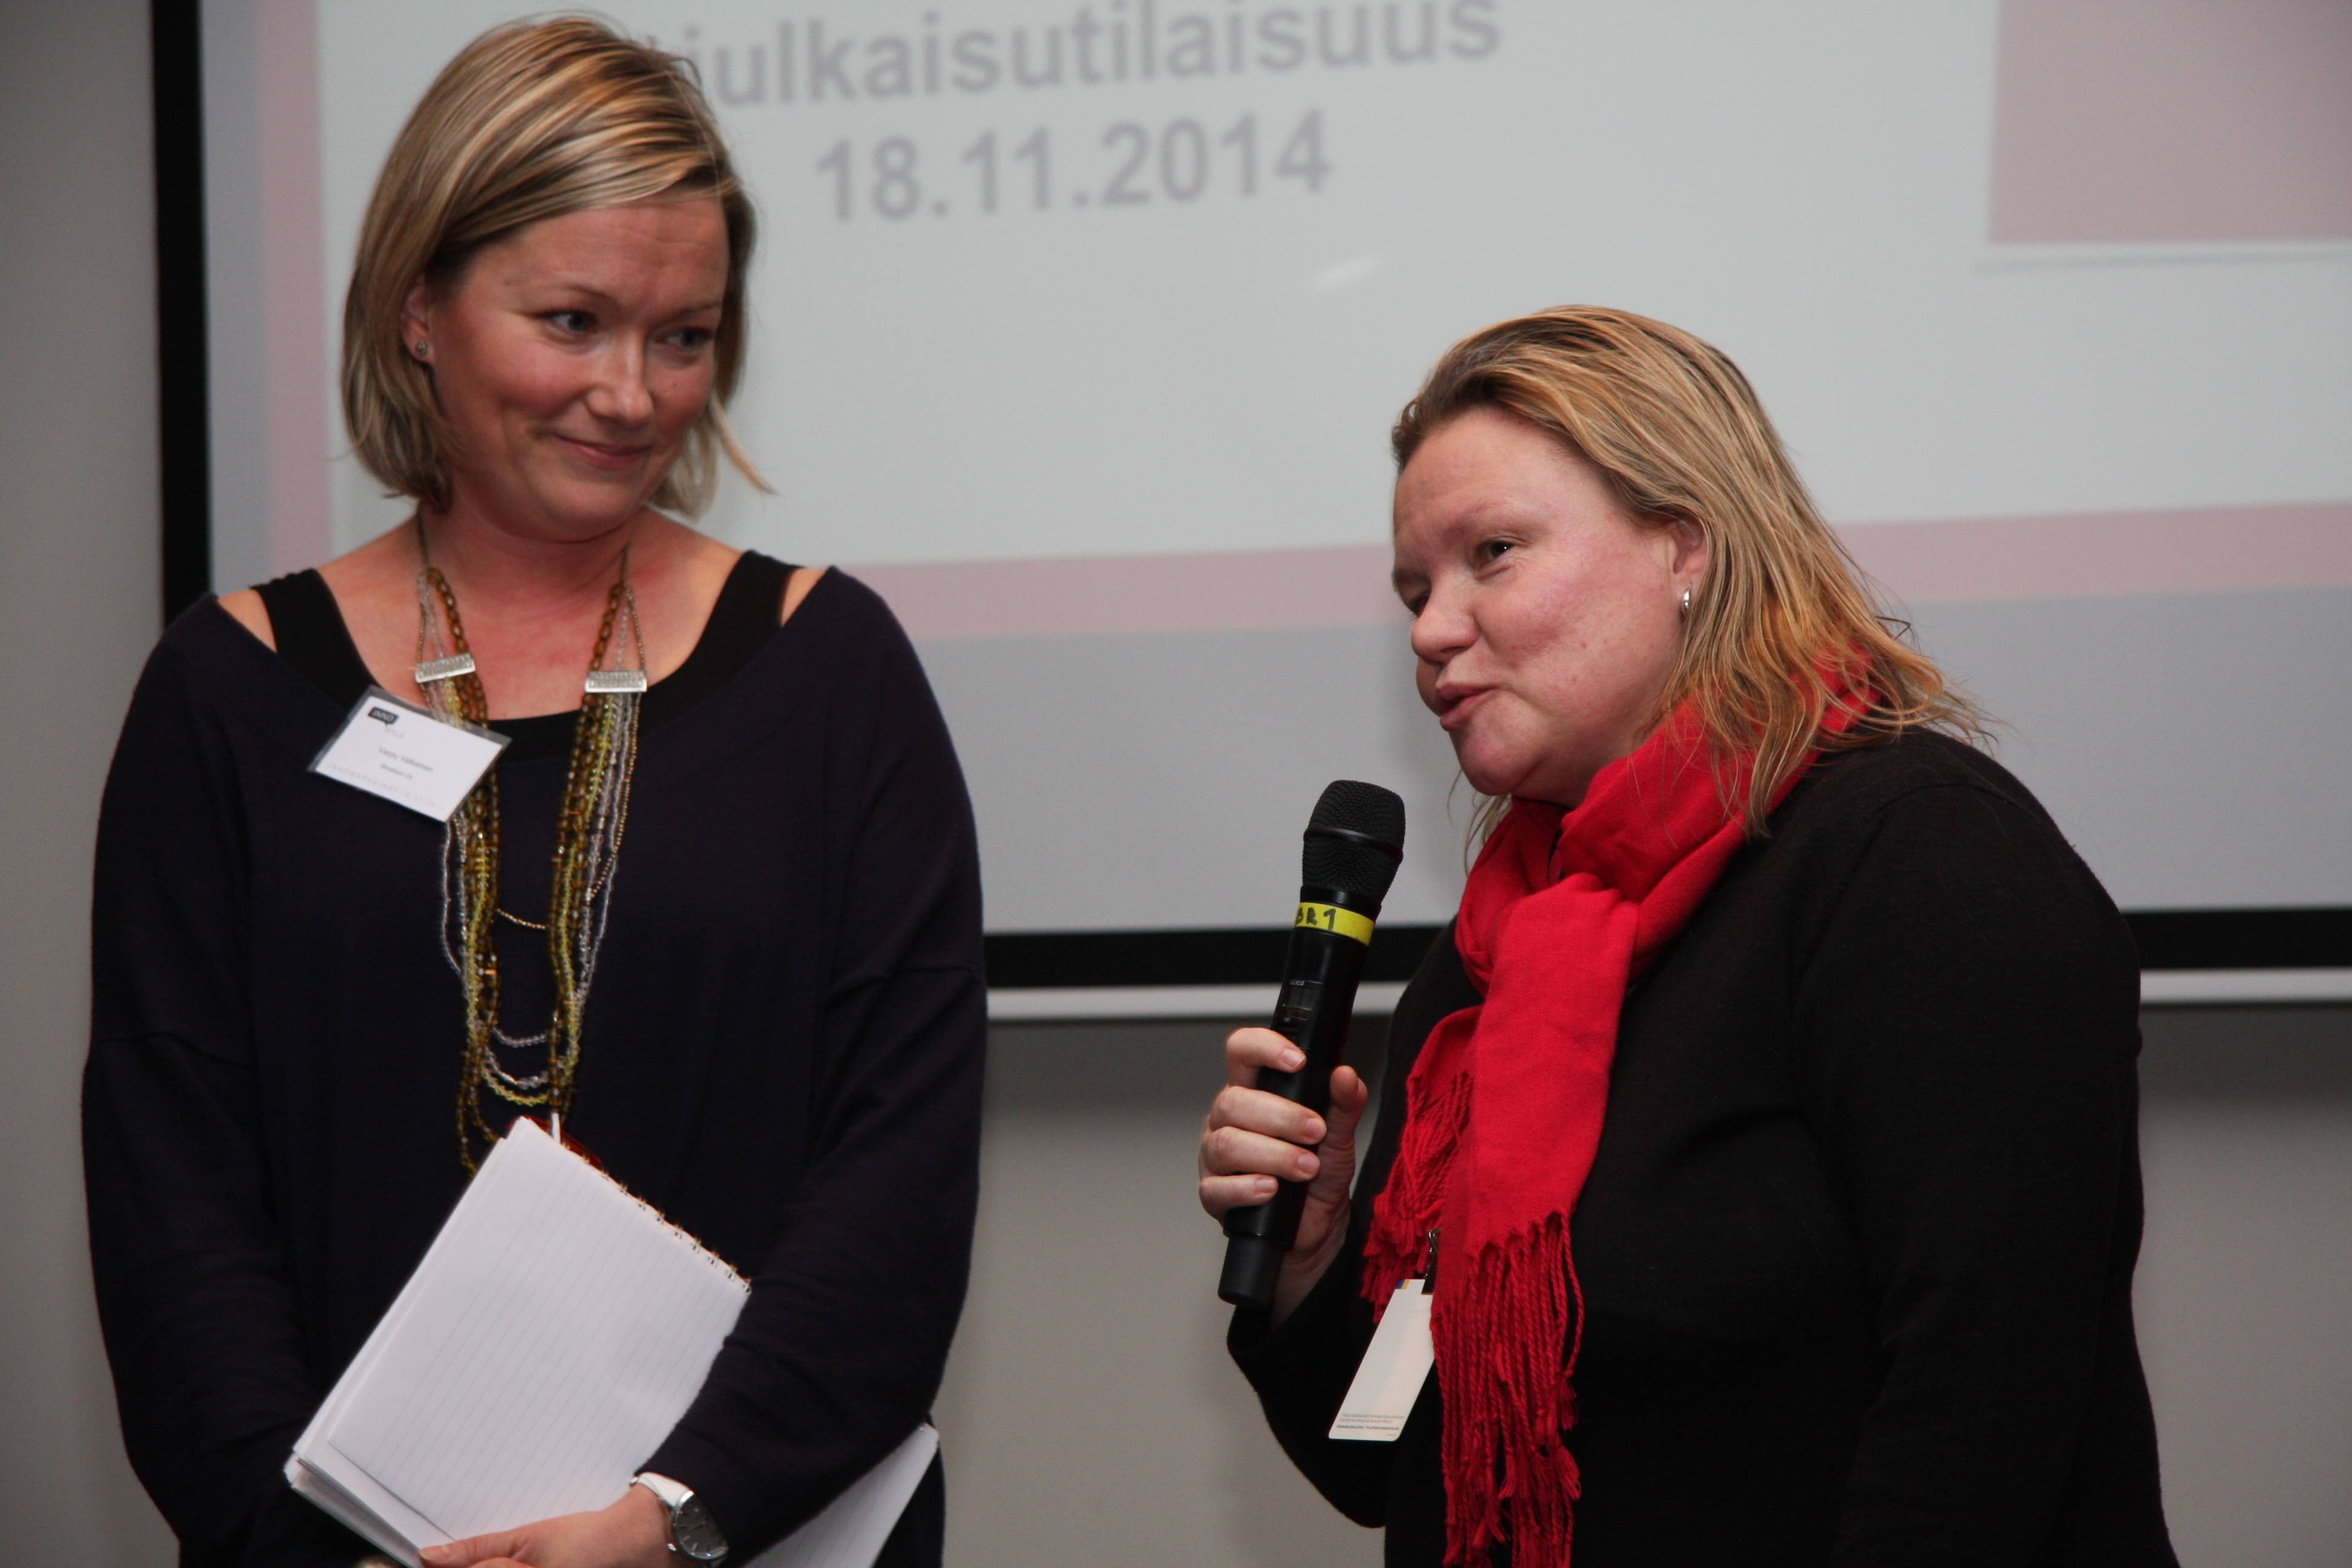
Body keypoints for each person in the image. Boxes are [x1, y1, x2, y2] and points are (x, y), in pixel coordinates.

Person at [84, 20, 983, 1568]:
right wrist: (299, 1541)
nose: (632, 395)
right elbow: (173, 1190)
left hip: (745, 1536)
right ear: (419, 308)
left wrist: (673, 1515)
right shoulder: (227, 692)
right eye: (573, 322)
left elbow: (898, 1171)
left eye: (684, 337)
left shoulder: (831, 670)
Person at [1197, 307, 2177, 1566]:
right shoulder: (1501, 949)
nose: (1432, 630)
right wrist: (1315, 1254)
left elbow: (1983, 1414)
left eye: (1493, 554)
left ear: (1685, 548)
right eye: (1415, 590)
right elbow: (1387, 1461)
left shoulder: (1920, 860)